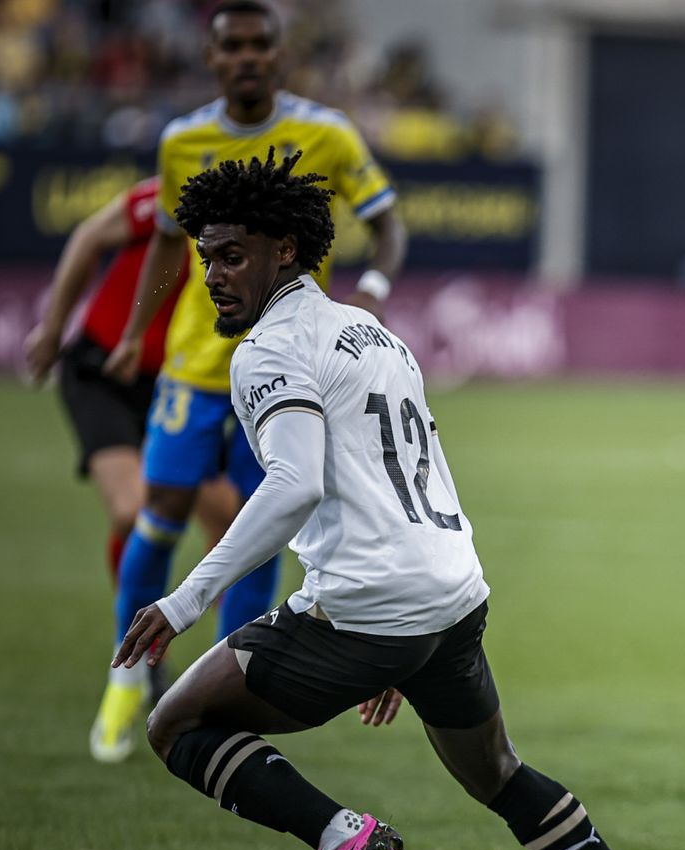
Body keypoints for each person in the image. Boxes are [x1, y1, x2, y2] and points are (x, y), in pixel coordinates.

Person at [113, 149, 685, 850]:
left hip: (374, 605)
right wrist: (403, 646)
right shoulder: (375, 332)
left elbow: (295, 485)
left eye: (232, 255)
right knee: (498, 774)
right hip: (449, 594)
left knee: (175, 723)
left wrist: (185, 599)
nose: (214, 276)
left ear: (286, 249)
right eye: (207, 258)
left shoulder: (269, 350)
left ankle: (340, 836)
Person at [92, 0, 409, 765]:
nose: (245, 57)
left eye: (258, 44)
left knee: (261, 521)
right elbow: (165, 247)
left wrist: (372, 287)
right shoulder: (183, 140)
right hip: (196, 366)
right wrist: (137, 331)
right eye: (230, 45)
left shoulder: (328, 134)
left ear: (279, 54)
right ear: (211, 57)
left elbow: (388, 222)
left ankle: (220, 685)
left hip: (290, 366)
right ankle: (126, 677)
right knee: (160, 514)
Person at [24, 177, 240, 760]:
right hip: (106, 371)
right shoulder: (177, 189)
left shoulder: (250, 211)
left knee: (232, 521)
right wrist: (53, 328)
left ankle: (206, 665)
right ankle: (137, 657)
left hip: (179, 383)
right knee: (133, 508)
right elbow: (89, 235)